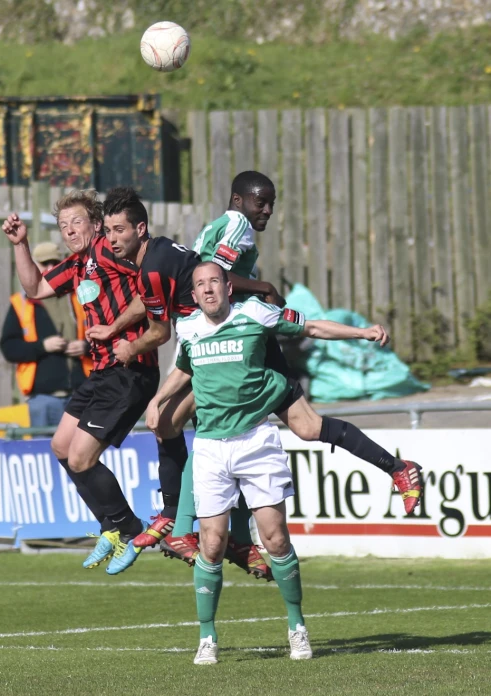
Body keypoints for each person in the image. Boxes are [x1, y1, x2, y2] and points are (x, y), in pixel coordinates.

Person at [145, 261, 412, 663]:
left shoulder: (255, 314)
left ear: (227, 288)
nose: (208, 290)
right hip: (211, 448)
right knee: (212, 544)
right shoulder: (189, 329)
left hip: (256, 441)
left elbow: (313, 328)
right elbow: (184, 370)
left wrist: (362, 332)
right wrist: (158, 398)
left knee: (276, 540)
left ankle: (297, 626)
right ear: (195, 295)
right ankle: (207, 637)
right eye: (200, 285)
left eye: (214, 282)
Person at [157, 171, 424, 568]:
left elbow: (216, 278)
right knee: (196, 426)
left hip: (234, 340)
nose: (266, 210)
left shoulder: (223, 228)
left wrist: (362, 333)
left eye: (271, 203)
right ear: (238, 201)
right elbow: (217, 275)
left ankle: (192, 530)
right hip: (228, 339)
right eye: (260, 202)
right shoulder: (236, 225)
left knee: (191, 425)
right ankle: (193, 529)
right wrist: (264, 287)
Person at [85, 187, 270, 578]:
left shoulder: (150, 267)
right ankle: (231, 538)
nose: (112, 239)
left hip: (214, 349)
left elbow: (158, 332)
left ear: (140, 228)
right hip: (213, 344)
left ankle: (175, 517)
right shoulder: (156, 255)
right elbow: (148, 300)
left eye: (119, 230)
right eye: (108, 232)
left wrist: (129, 348)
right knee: (206, 436)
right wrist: (115, 327)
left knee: (166, 423)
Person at [2, 189, 157, 575]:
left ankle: (130, 528)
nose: (69, 230)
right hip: (101, 372)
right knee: (59, 446)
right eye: (63, 224)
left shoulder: (108, 250)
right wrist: (20, 244)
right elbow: (35, 290)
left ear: (95, 224)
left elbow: (149, 291)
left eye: (77, 222)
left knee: (81, 457)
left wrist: (118, 329)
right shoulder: (77, 264)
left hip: (129, 368)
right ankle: (110, 526)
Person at [0, 241, 93, 428]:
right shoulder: (22, 303)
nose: (50, 268)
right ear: (34, 265)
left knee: (81, 454)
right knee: (42, 451)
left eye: (55, 263)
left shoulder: (80, 296)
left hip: (81, 394)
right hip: (43, 399)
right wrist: (43, 346)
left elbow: (105, 336)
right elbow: (8, 348)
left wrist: (86, 347)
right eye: (44, 263)